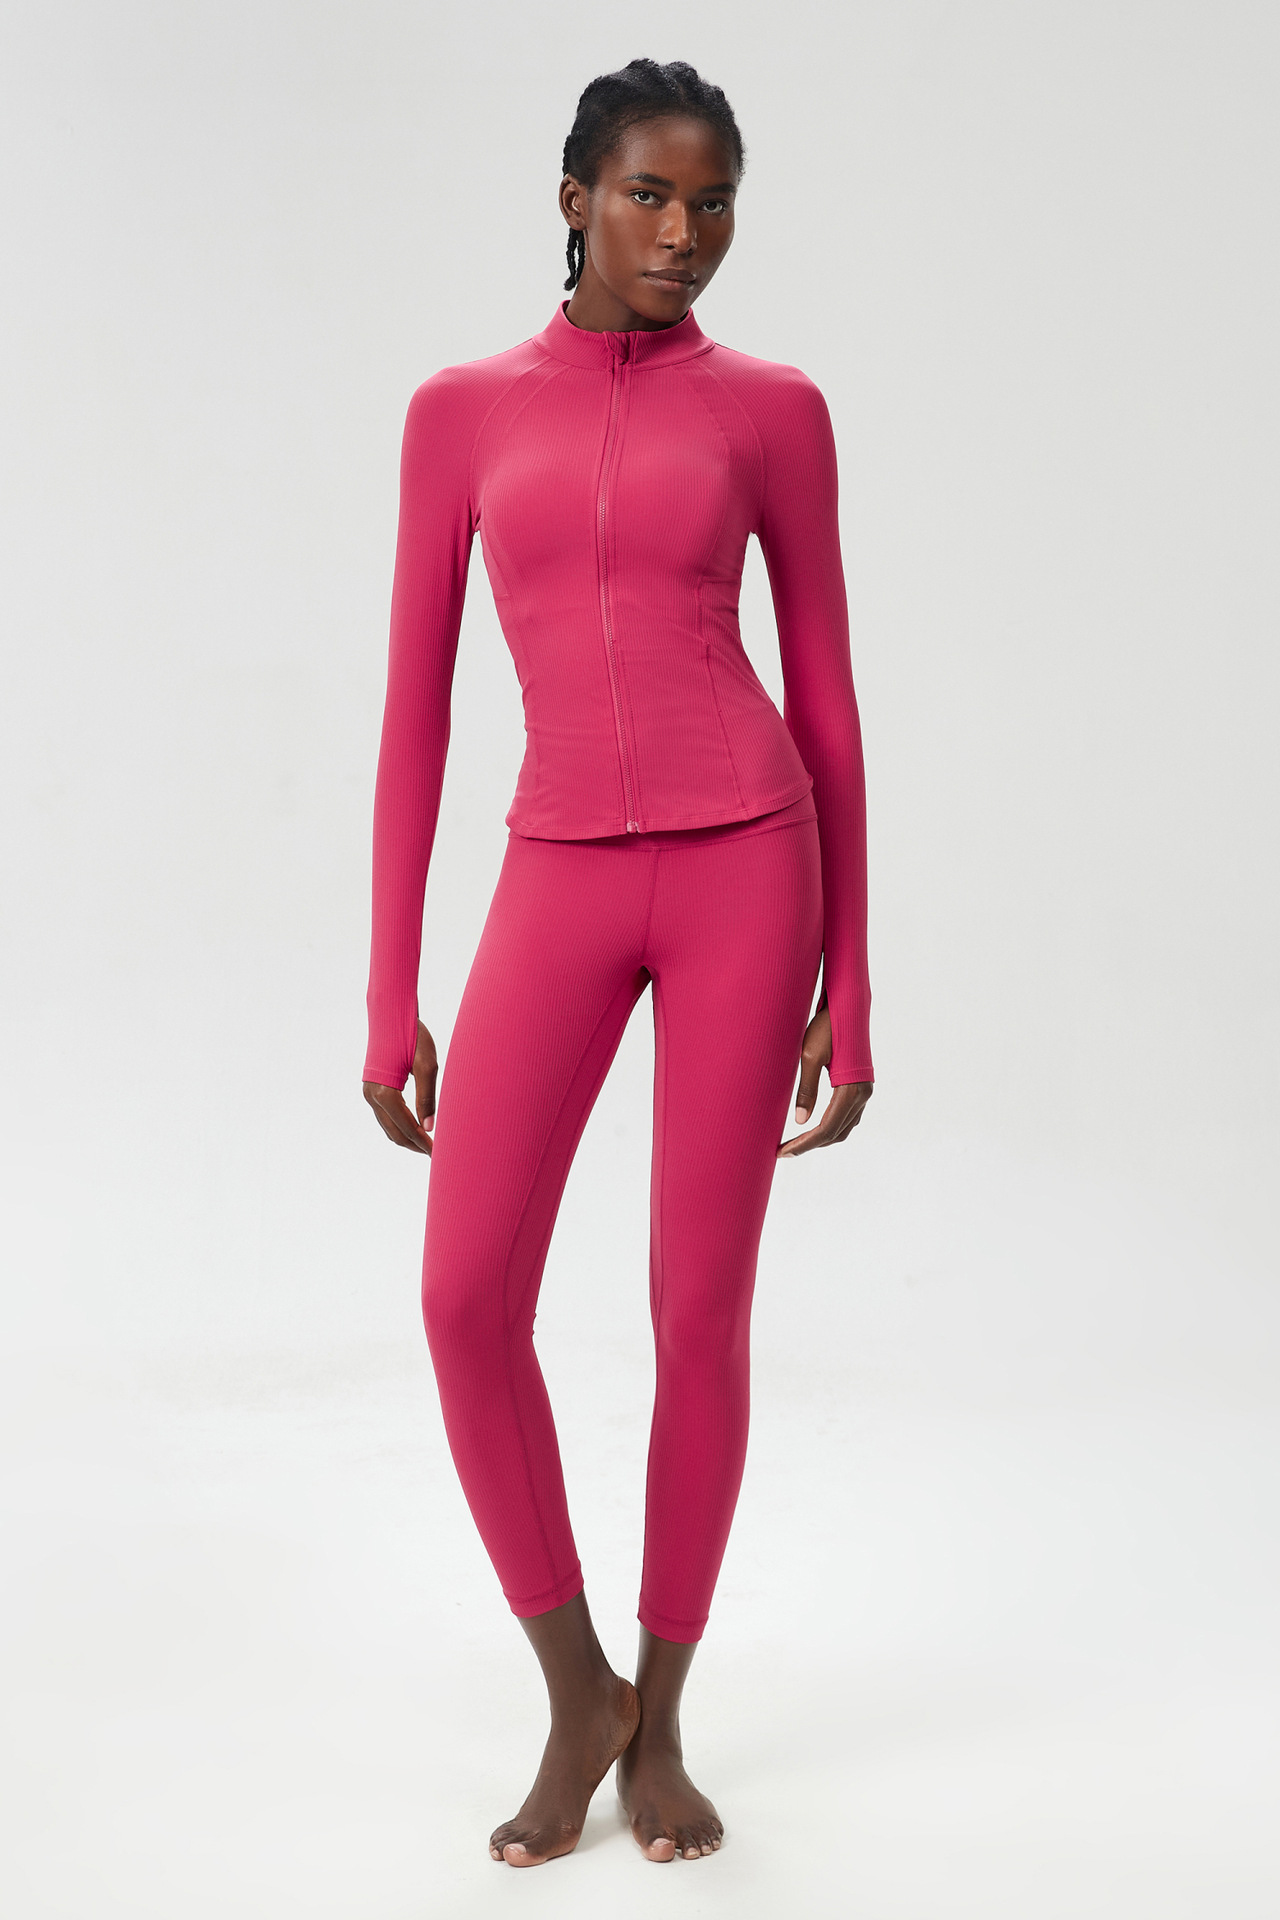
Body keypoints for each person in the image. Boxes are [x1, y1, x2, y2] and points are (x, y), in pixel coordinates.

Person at [361, 56, 874, 1869]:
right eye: (650, 194)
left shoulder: (776, 411)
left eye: (714, 200)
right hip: (559, 868)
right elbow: (416, 714)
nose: (684, 232)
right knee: (462, 1299)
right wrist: (387, 989)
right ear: (574, 196)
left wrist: (856, 978)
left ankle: (663, 1711)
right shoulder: (458, 413)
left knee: (693, 1311)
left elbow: (828, 697)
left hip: (749, 867)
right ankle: (576, 1686)